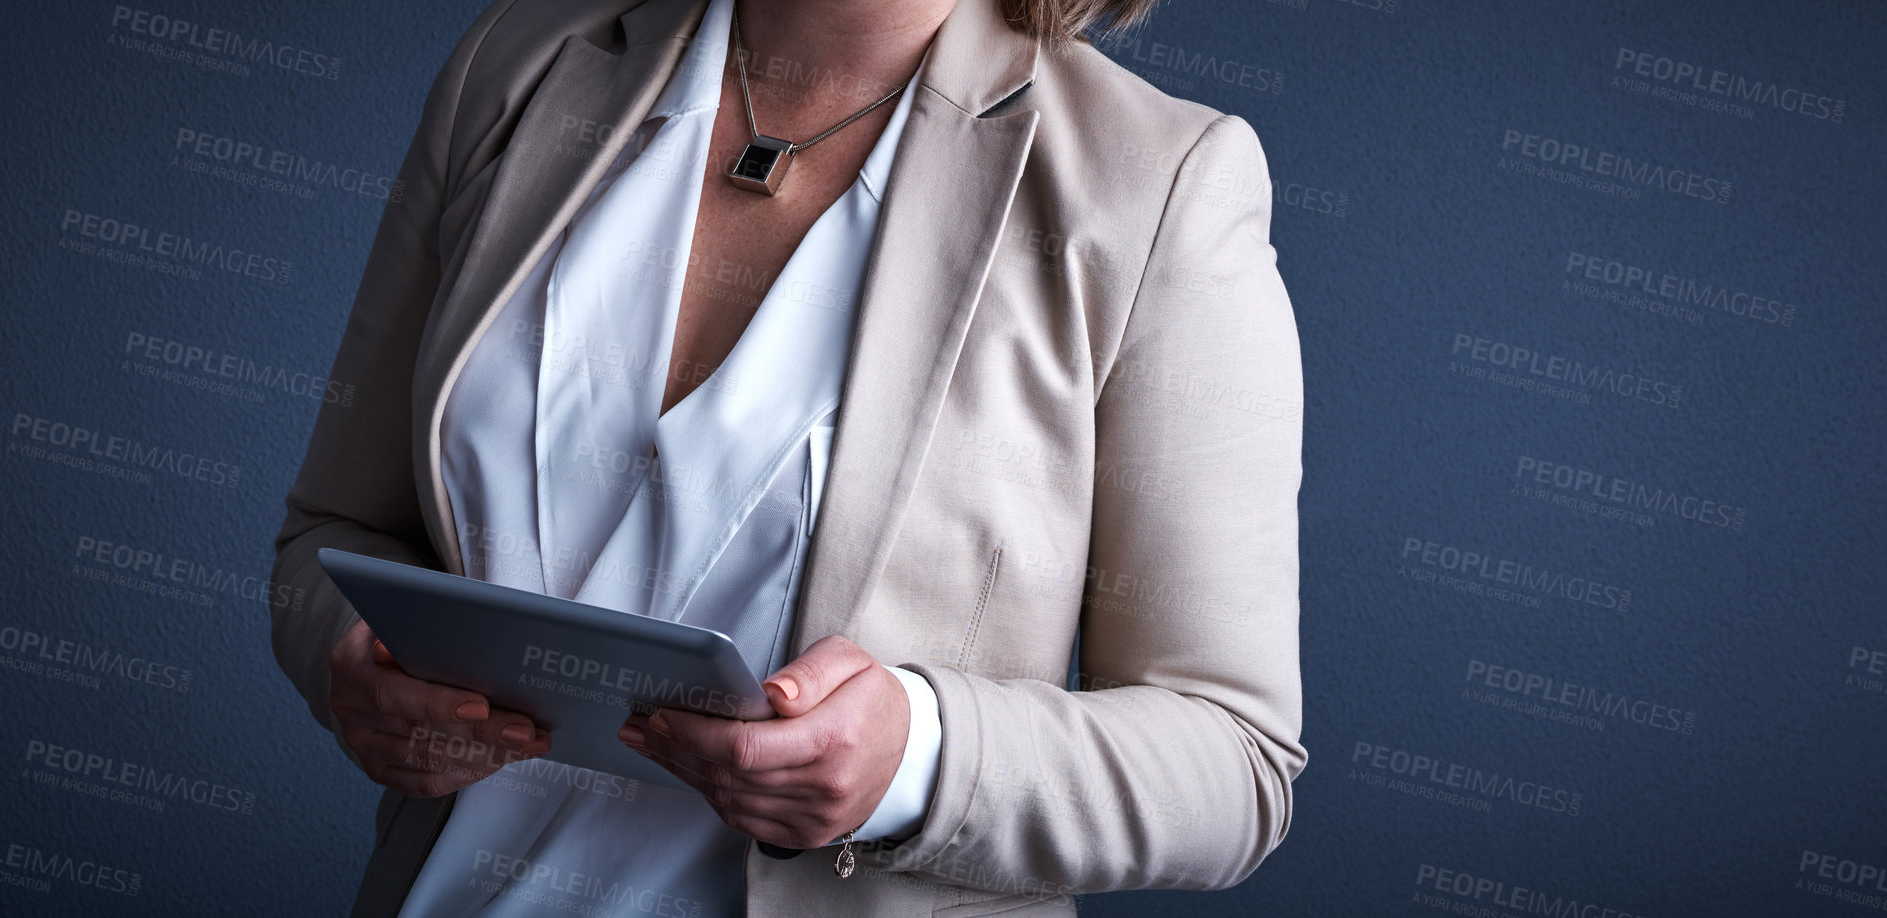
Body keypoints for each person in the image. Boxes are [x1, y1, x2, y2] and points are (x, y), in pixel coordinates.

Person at [269, 0, 1308, 914]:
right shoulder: (520, 60)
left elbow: (1232, 761)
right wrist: (351, 659)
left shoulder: (1158, 183)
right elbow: (331, 536)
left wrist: (920, 758)